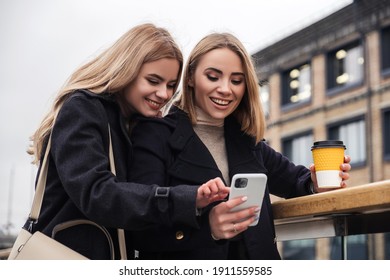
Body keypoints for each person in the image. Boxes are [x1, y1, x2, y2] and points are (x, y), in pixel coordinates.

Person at [129, 32, 352, 259]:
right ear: (190, 78)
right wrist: (209, 228)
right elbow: (139, 228)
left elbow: (295, 180)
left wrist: (315, 183)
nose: (226, 89)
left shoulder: (247, 140)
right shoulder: (155, 134)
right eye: (213, 77)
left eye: (236, 80)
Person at [24, 23, 229, 260]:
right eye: (153, 81)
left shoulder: (131, 123)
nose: (164, 94)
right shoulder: (82, 108)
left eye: (171, 85)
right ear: (126, 69)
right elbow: (97, 194)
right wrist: (185, 198)